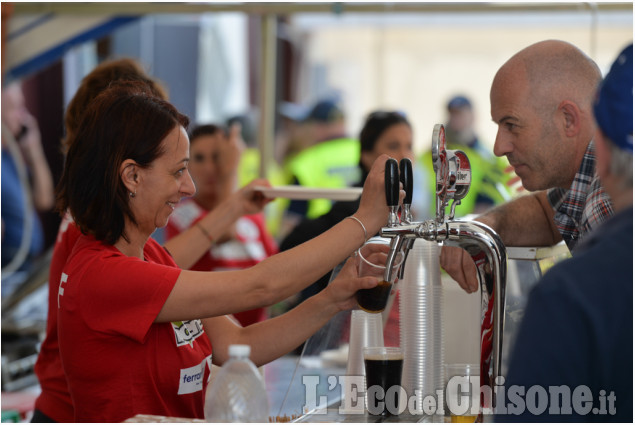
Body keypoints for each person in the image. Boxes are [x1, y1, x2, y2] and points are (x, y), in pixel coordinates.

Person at [55, 82, 394, 422]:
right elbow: (260, 287)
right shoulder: (105, 274)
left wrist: (334, 298)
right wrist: (363, 220)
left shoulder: (151, 255)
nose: (189, 187)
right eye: (177, 171)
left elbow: (239, 342)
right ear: (131, 176)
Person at [31, 58, 267, 423]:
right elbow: (151, 279)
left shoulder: (114, 231)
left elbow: (159, 270)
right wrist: (232, 201)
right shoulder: (93, 229)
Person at [496, 43, 632, 422]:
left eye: (510, 124)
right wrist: (491, 226)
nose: (498, 147)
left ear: (573, 121)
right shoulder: (585, 188)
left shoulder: (574, 292)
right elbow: (550, 208)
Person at [440, 40, 614, 293]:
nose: (499, 147)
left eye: (511, 125)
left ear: (568, 119)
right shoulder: (589, 175)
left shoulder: (604, 203)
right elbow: (545, 212)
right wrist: (486, 225)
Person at [280, 110, 414, 347]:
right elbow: (292, 243)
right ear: (367, 155)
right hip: (338, 346)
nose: (404, 156)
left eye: (409, 146)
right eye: (394, 145)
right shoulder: (354, 210)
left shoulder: (405, 212)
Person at [166, 124, 278, 327]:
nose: (210, 168)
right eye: (199, 158)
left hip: (256, 338)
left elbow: (273, 273)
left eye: (218, 157)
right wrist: (229, 174)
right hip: (207, 341)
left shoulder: (252, 215)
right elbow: (224, 231)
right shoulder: (178, 215)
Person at [278, 98, 361, 239]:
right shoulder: (364, 151)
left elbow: (290, 223)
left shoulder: (306, 162)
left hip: (320, 244)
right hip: (365, 240)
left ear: (317, 127)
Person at [420, 95, 512, 216]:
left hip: (468, 226)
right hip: (433, 222)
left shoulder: (489, 158)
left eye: (460, 114)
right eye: (452, 114)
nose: (455, 120)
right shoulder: (433, 152)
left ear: (473, 116)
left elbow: (487, 202)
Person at [1, 81, 54, 275]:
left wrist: (34, 152)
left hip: (27, 264)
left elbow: (44, 200)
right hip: (8, 267)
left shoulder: (10, 158)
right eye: (16, 108)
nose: (24, 116)